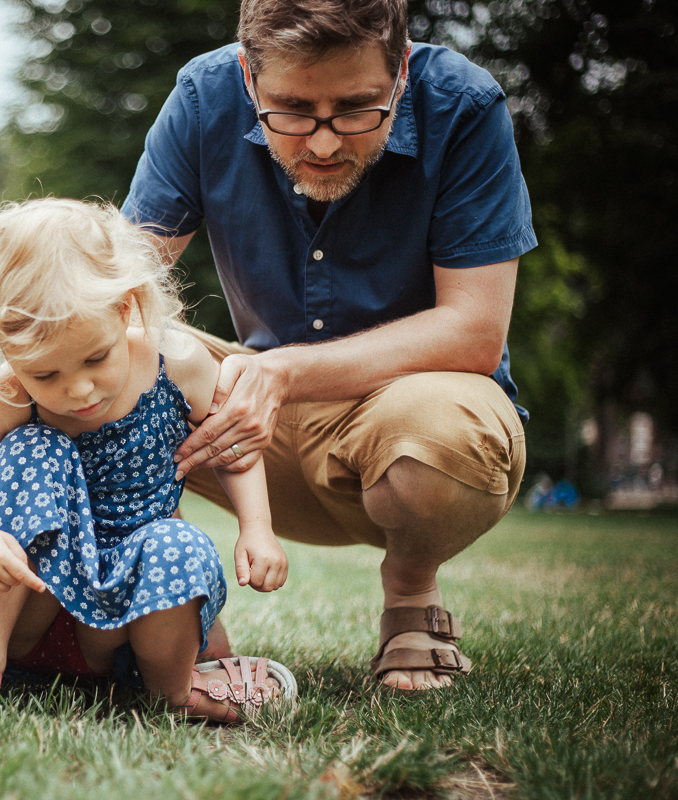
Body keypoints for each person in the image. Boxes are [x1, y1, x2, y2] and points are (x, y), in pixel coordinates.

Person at [121, 0, 535, 691]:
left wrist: (283, 371)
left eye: (356, 108)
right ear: (248, 78)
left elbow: (475, 330)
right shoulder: (203, 95)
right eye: (290, 110)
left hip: (415, 431)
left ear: (401, 72)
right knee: (100, 360)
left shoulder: (464, 105)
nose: (322, 143)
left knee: (441, 430)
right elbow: (120, 283)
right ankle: (98, 615)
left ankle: (410, 600)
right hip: (248, 433)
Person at [0, 198, 296, 734]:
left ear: (127, 306)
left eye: (94, 358)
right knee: (35, 449)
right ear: (5, 349)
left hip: (127, 630)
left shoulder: (177, 365)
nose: (79, 390)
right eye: (46, 374)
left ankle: (175, 689)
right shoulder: (10, 396)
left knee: (177, 543)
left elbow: (235, 444)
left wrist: (258, 527)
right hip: (29, 616)